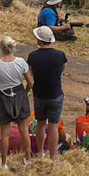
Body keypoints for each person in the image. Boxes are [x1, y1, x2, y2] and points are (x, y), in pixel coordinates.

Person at [24, 26, 68, 156]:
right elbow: (62, 69)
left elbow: (30, 73)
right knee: (54, 125)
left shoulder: (33, 56)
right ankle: (52, 156)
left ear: (39, 39)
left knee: (40, 124)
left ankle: (40, 152)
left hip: (39, 94)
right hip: (55, 94)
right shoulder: (60, 55)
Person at [0, 36, 32, 159]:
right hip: (19, 92)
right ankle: (27, 159)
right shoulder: (20, 62)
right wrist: (25, 92)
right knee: (24, 130)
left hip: (3, 95)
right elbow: (30, 82)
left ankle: (4, 163)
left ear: (1, 48)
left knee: (5, 133)